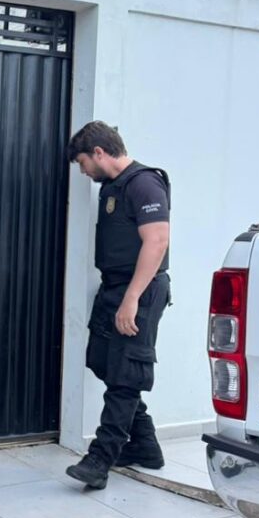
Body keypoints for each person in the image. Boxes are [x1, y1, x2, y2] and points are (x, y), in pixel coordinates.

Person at [65, 120, 171, 490]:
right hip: (114, 288)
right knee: (102, 361)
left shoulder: (144, 183)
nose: (83, 171)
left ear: (98, 152)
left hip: (139, 291)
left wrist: (131, 299)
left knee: (126, 376)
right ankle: (144, 444)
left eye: (82, 163)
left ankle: (100, 459)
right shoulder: (114, 186)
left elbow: (157, 241)